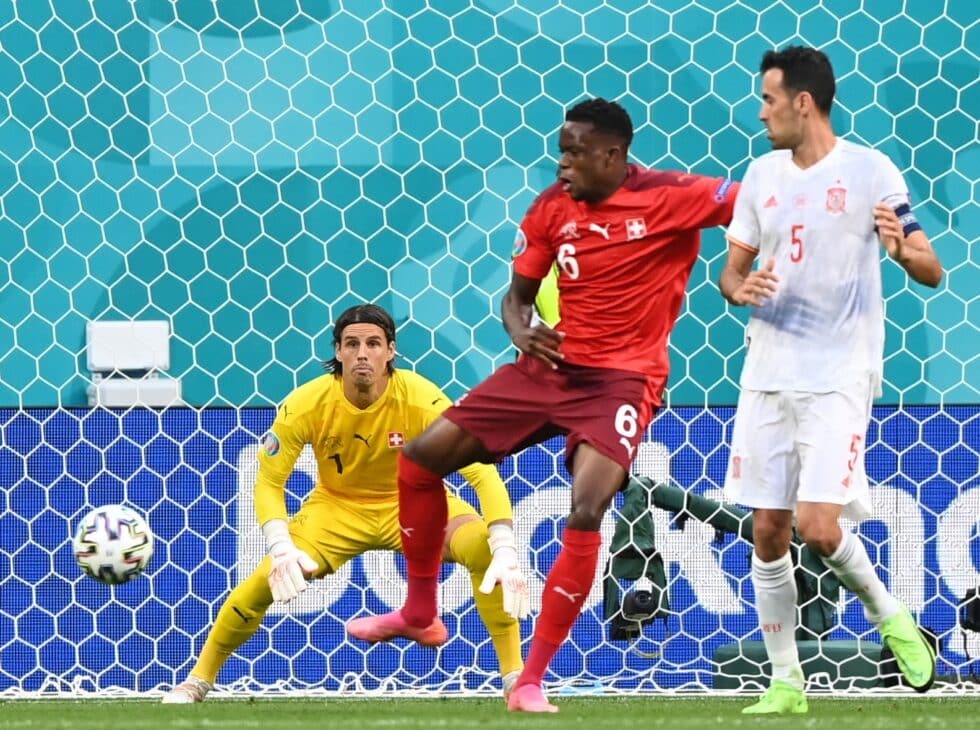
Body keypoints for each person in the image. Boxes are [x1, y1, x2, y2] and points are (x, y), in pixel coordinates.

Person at [346, 98, 740, 713]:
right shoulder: (553, 209)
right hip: (548, 368)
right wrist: (520, 329)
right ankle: (419, 612)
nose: (563, 163)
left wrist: (751, 267)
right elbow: (517, 296)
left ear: (613, 154)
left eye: (576, 151)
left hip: (623, 383)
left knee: (587, 509)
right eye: (561, 150)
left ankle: (530, 679)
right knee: (419, 461)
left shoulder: (672, 195)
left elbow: (761, 204)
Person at [719, 46, 942, 715]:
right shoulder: (761, 175)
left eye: (768, 99)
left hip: (840, 373)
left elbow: (932, 267)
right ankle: (787, 683)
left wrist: (902, 251)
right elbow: (730, 271)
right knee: (766, 529)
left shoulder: (871, 172)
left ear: (803, 102)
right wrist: (739, 289)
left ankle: (890, 615)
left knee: (818, 527)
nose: (761, 112)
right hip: (768, 371)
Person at [163, 304, 529, 703]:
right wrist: (280, 545)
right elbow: (268, 480)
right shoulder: (305, 404)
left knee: (483, 552)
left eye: (373, 343)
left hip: (415, 505)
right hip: (335, 510)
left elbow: (480, 470)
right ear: (337, 352)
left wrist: (504, 545)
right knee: (262, 582)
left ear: (391, 351)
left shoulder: (422, 399)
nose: (362, 353)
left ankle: (515, 677)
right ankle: (197, 680)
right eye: (352, 344)